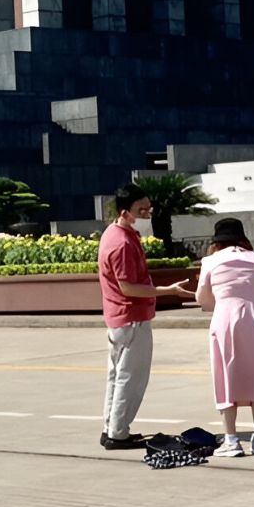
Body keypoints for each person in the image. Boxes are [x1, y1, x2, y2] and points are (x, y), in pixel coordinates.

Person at [98, 182, 192, 451]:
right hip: (131, 318)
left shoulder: (114, 234)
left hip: (119, 318)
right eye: (142, 210)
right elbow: (128, 287)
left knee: (117, 377)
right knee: (132, 378)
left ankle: (111, 429)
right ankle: (118, 433)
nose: (148, 214)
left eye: (149, 209)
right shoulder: (122, 243)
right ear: (125, 211)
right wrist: (168, 291)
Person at [196, 217, 254, 457]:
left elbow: (202, 299)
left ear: (217, 241)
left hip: (225, 318)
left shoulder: (210, 261)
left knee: (225, 376)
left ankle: (231, 439)